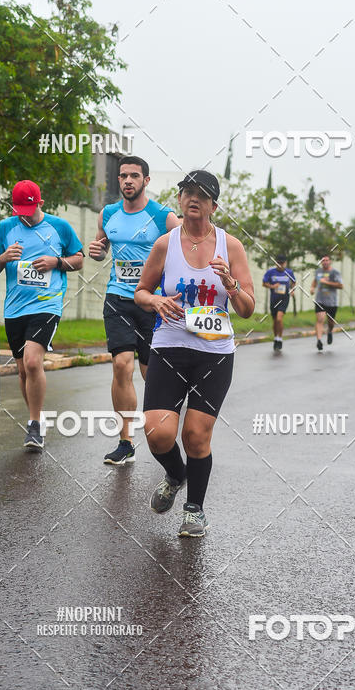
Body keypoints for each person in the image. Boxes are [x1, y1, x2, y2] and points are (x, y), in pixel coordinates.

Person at [134, 170, 255, 537]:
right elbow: (140, 291)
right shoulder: (165, 244)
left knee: (196, 436)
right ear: (181, 200)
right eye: (187, 192)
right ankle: (175, 474)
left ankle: (194, 509)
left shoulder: (230, 246)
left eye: (201, 194)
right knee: (157, 433)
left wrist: (231, 285)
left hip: (214, 353)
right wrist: (154, 300)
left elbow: (248, 308)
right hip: (170, 347)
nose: (193, 199)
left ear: (213, 205)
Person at [88, 156, 179, 465]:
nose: (128, 180)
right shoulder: (108, 213)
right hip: (118, 298)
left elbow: (187, 250)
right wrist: (98, 251)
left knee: (149, 372)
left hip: (153, 303)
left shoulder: (163, 217)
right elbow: (102, 252)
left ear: (146, 181)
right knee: (121, 366)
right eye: (123, 176)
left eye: (134, 176)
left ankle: (163, 428)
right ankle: (125, 441)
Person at [0, 180, 83, 451]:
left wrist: (56, 262)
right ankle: (37, 419)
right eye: (20, 211)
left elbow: (79, 258)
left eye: (29, 210)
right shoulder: (5, 228)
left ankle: (34, 425)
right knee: (21, 369)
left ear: (40, 203)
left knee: (32, 362)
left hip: (47, 304)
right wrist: (3, 257)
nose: (24, 216)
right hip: (15, 308)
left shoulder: (59, 227)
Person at [262, 254, 296, 351]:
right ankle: (276, 338)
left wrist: (292, 290)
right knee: (275, 320)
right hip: (274, 299)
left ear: (285, 263)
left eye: (282, 263)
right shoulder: (270, 272)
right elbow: (264, 283)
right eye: (278, 263)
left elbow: (294, 282)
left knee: (279, 318)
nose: (280, 265)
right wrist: (272, 287)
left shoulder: (289, 272)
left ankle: (280, 339)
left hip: (284, 298)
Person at [310, 255, 343, 351]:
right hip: (320, 300)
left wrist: (327, 282)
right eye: (323, 260)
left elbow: (341, 286)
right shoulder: (318, 272)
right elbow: (315, 282)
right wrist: (312, 288)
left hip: (331, 301)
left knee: (330, 322)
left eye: (326, 260)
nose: (324, 262)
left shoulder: (335, 273)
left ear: (330, 261)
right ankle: (319, 340)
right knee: (320, 319)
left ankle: (329, 331)